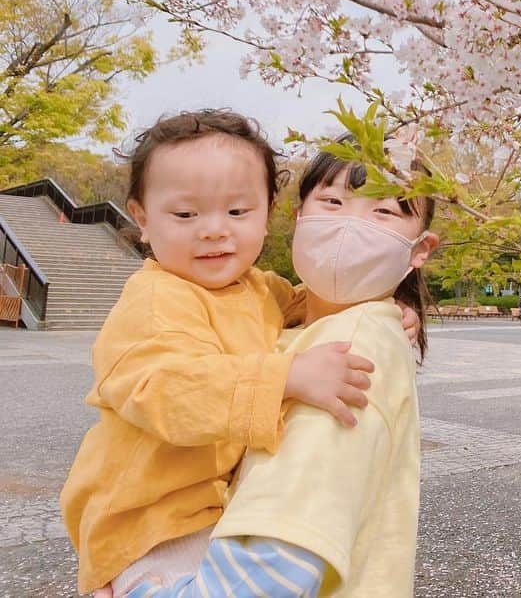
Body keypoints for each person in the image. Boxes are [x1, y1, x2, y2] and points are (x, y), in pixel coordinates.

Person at [58, 111, 394, 597]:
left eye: (237, 212)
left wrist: (381, 305)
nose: (214, 231)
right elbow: (165, 389)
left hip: (208, 512)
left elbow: (310, 304)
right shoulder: (155, 301)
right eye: (186, 215)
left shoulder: (256, 287)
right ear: (143, 218)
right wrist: (284, 377)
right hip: (149, 524)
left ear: (268, 211)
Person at [123, 142, 439, 597]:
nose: (350, 225)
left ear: (419, 249)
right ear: (297, 218)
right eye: (332, 203)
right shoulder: (277, 314)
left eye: (384, 213)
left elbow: (273, 564)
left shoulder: (348, 348)